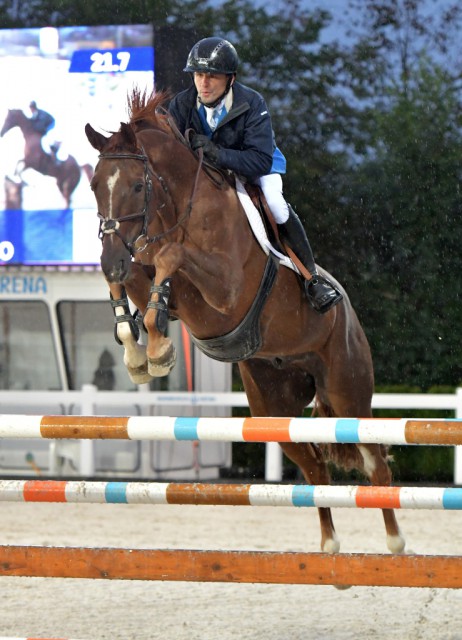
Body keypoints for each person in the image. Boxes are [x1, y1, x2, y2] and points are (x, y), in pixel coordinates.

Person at [169, 37, 343, 314]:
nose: (203, 83)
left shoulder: (252, 103)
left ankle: (312, 278)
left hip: (256, 167)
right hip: (210, 173)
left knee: (275, 202)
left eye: (212, 77)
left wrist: (217, 153)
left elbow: (260, 160)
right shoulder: (181, 104)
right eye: (199, 75)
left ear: (231, 78)